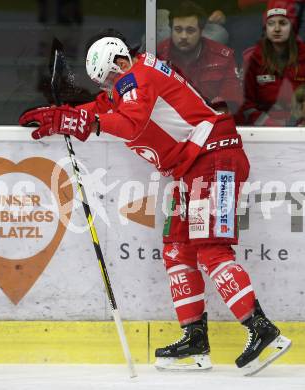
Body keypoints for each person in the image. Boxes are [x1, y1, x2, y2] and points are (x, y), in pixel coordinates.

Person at [19, 35, 291, 375]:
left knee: (211, 249)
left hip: (213, 156)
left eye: (110, 81)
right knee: (177, 248)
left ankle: (261, 329)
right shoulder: (130, 80)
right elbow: (106, 109)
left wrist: (82, 121)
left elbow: (128, 120)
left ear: (119, 64)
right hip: (191, 167)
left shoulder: (137, 76)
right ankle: (195, 340)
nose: (109, 90)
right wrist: (66, 115)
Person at [157, 0, 242, 115]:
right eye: (178, 30)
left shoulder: (223, 57)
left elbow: (231, 100)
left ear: (201, 31)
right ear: (171, 30)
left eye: (190, 30)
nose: (183, 36)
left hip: (210, 123)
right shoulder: (158, 54)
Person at [239, 0, 305, 126]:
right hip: (264, 129)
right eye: (271, 23)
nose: (277, 29)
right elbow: (246, 104)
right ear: (265, 27)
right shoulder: (252, 59)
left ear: (292, 27)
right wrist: (270, 125)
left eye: (283, 23)